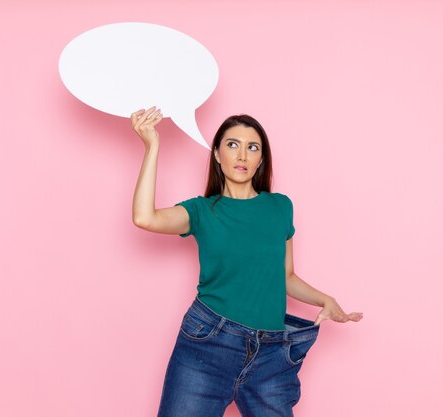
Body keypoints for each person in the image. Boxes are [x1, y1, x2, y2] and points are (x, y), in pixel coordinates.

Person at [130, 106, 363, 417]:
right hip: (208, 344)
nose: (242, 155)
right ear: (216, 154)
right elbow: (144, 217)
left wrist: (326, 299)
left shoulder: (280, 207)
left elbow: (286, 276)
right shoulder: (202, 211)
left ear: (261, 159)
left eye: (252, 147)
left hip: (272, 354)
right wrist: (152, 146)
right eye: (232, 145)